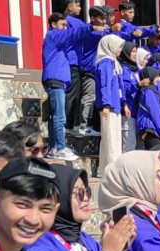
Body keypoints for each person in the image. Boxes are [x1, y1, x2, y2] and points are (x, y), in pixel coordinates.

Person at [41, 13, 103, 161]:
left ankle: (54, 146)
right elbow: (73, 33)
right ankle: (60, 147)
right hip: (54, 80)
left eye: (66, 25)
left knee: (55, 116)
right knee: (59, 117)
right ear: (54, 25)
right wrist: (90, 27)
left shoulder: (59, 42)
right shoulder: (53, 35)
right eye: (62, 25)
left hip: (59, 81)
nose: (65, 28)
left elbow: (74, 37)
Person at [74, 6, 111, 138]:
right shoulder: (91, 32)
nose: (103, 21)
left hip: (95, 70)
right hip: (88, 69)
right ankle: (83, 126)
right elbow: (109, 38)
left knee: (92, 98)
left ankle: (88, 125)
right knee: (88, 98)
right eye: (101, 18)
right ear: (93, 18)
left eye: (104, 18)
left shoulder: (99, 32)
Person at [95, 35, 128, 171]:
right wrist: (106, 105)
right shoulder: (105, 63)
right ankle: (112, 169)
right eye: (118, 46)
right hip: (109, 107)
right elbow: (105, 85)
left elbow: (119, 87)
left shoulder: (115, 63)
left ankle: (104, 168)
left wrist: (124, 103)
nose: (120, 49)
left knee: (113, 138)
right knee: (110, 139)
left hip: (116, 106)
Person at [63, 0, 84, 133]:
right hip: (72, 62)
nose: (80, 8)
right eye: (77, 5)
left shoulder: (71, 21)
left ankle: (70, 124)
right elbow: (86, 30)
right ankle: (67, 125)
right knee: (72, 95)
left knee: (74, 94)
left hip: (74, 62)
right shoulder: (71, 21)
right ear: (70, 7)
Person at [136, 67, 160, 150]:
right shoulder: (149, 92)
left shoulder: (149, 91)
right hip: (150, 128)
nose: (159, 79)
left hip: (149, 128)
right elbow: (155, 113)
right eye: (156, 76)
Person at [119, 41, 140, 153]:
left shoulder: (135, 69)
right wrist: (138, 85)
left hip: (136, 111)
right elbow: (125, 89)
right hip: (128, 110)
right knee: (128, 145)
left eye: (136, 51)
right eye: (133, 51)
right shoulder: (124, 69)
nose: (135, 54)